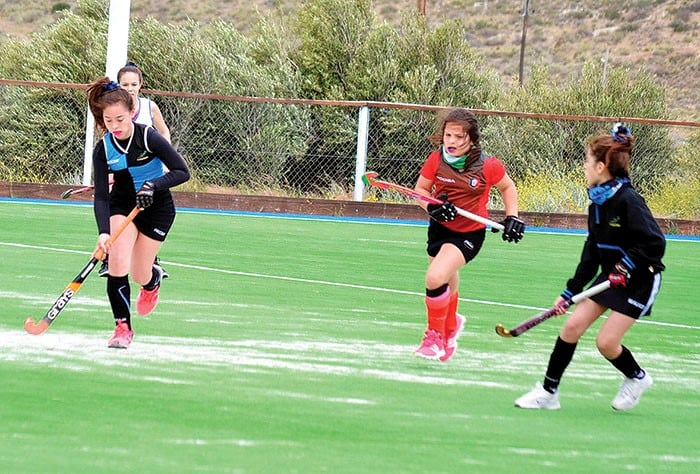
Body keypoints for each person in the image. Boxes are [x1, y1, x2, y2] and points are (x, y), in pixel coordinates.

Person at [514, 123, 665, 411]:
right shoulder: (597, 202)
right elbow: (592, 252)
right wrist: (570, 291)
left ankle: (637, 377)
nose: (584, 166)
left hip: (640, 280)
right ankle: (548, 393)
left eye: (587, 161)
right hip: (609, 277)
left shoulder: (628, 200)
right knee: (571, 326)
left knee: (606, 343)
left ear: (600, 166)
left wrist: (626, 266)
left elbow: (654, 243)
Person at [413, 108, 525, 361]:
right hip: (439, 228)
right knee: (445, 279)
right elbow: (421, 190)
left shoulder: (487, 165)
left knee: (434, 277)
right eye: (447, 135)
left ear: (471, 140)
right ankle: (451, 326)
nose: (451, 142)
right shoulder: (435, 160)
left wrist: (512, 216)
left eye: (458, 137)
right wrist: (432, 205)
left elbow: (508, 187)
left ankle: (434, 337)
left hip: (470, 233)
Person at [86, 77, 190, 348]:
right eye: (109, 121)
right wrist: (103, 232)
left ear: (132, 112)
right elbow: (100, 195)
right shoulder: (103, 149)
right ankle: (122, 327)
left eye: (120, 119)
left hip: (157, 209)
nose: (115, 126)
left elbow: (182, 172)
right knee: (118, 262)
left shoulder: (148, 137)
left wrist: (153, 185)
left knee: (139, 273)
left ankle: (153, 280)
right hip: (122, 205)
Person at [98, 61, 171, 278]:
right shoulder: (113, 110)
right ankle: (112, 257)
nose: (130, 88)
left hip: (149, 173)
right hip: (124, 174)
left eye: (133, 84)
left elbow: (164, 133)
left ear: (140, 85)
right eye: (125, 84)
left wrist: (162, 160)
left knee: (150, 212)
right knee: (115, 209)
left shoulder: (149, 107)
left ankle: (151, 262)